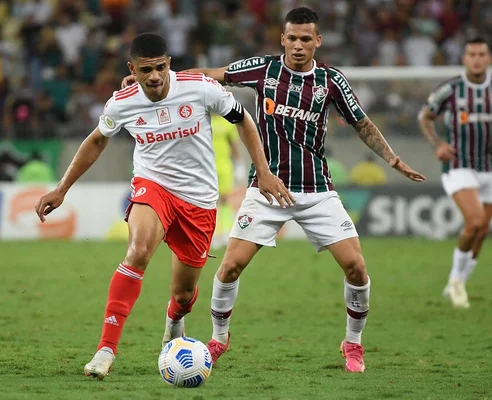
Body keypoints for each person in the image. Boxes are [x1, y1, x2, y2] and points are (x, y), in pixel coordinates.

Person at [120, 7, 426, 374]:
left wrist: (392, 158)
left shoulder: (331, 80)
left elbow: (361, 123)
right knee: (230, 266)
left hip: (316, 190)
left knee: (356, 268)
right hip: (265, 187)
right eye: (292, 38)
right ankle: (219, 339)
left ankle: (353, 344)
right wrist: (151, 82)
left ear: (318, 41)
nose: (298, 46)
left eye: (305, 39)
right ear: (283, 39)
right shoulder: (263, 69)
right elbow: (210, 75)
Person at [34, 33, 292, 380]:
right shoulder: (122, 101)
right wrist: (62, 188)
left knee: (184, 294)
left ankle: (174, 321)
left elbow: (243, 119)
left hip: (199, 199)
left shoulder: (199, 88)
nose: (154, 76)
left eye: (159, 67)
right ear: (132, 70)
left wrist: (263, 171)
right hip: (152, 185)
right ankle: (106, 349)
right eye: (145, 70)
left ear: (168, 64)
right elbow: (97, 140)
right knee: (138, 251)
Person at [417, 37, 492, 309]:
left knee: (482, 230)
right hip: (459, 165)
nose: (476, 59)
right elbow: (425, 116)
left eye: (481, 54)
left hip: (489, 167)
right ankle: (457, 282)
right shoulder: (451, 89)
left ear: (488, 58)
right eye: (471, 54)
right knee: (474, 222)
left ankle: (457, 282)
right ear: (464, 58)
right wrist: (438, 144)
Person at [211, 113, 246, 249]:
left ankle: (225, 232)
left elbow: (234, 145)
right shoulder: (203, 120)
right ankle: (214, 233)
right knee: (211, 201)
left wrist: (239, 164)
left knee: (224, 200)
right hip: (208, 167)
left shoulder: (227, 123)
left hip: (225, 166)